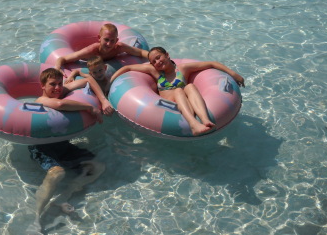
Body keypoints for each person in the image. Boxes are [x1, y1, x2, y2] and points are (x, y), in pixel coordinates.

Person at [27, 68, 108, 234]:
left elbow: (88, 81)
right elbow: (60, 105)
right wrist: (90, 108)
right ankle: (36, 218)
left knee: (98, 166)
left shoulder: (62, 91)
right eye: (52, 85)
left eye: (59, 84)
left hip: (63, 146)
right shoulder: (41, 100)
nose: (57, 88)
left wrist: (103, 100)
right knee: (57, 173)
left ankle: (65, 195)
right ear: (42, 86)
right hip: (42, 148)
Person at [109, 47, 245, 136]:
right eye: (153, 61)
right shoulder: (155, 72)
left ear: (167, 55)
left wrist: (234, 74)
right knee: (179, 90)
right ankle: (193, 124)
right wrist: (109, 83)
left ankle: (204, 119)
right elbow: (127, 69)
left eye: (159, 57)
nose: (157, 62)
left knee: (190, 87)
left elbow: (212, 64)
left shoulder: (183, 69)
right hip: (168, 107)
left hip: (186, 102)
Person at [55, 23, 149, 77]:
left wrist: (153, 57)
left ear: (116, 40)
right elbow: (63, 59)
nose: (109, 44)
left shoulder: (118, 47)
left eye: (112, 41)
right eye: (106, 40)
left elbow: (140, 52)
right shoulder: (90, 51)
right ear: (99, 38)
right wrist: (58, 68)